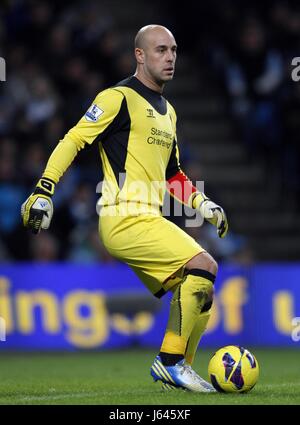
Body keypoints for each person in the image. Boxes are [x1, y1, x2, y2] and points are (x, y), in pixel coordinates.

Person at [21, 24, 228, 393]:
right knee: (204, 265)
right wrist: (44, 189)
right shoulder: (117, 97)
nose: (170, 57)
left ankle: (178, 376)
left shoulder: (170, 112)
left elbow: (172, 174)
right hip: (123, 215)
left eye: (174, 50)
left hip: (148, 216)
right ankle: (170, 363)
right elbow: (74, 139)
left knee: (201, 292)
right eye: (161, 50)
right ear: (140, 55)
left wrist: (203, 202)